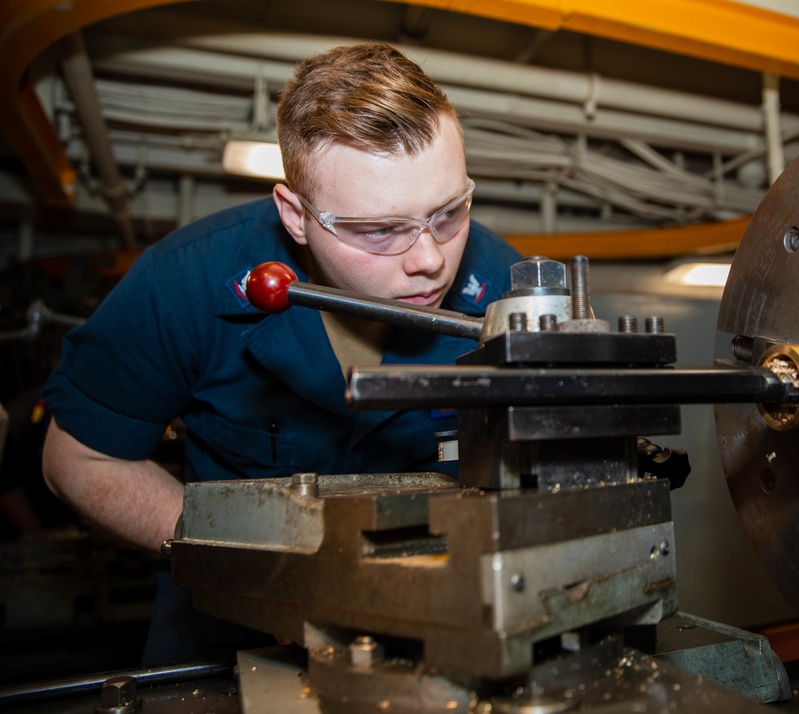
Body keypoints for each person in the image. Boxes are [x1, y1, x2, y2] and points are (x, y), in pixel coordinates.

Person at [41, 42, 522, 665]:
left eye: (449, 213)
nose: (429, 259)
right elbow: (77, 458)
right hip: (228, 631)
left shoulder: (506, 289)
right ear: (296, 215)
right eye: (379, 230)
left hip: (441, 621)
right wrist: (255, 568)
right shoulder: (182, 283)